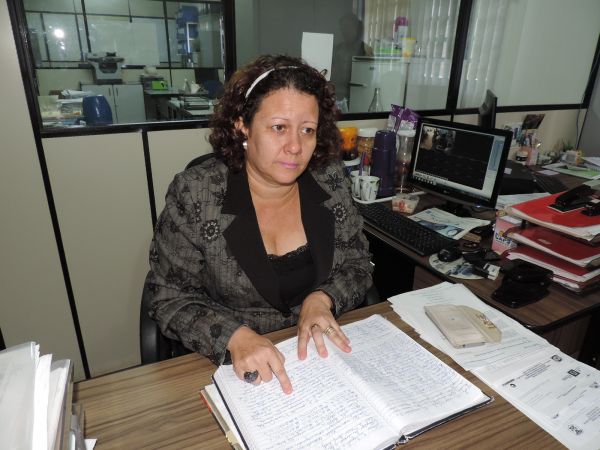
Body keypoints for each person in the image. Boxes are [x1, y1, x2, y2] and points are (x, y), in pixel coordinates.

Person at [145, 55, 373, 394]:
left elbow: (358, 263)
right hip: (235, 369)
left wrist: (322, 299)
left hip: (318, 359)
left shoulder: (330, 178)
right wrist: (234, 337)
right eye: (279, 127)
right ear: (243, 126)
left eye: (307, 130)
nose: (295, 147)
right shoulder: (196, 194)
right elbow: (167, 296)